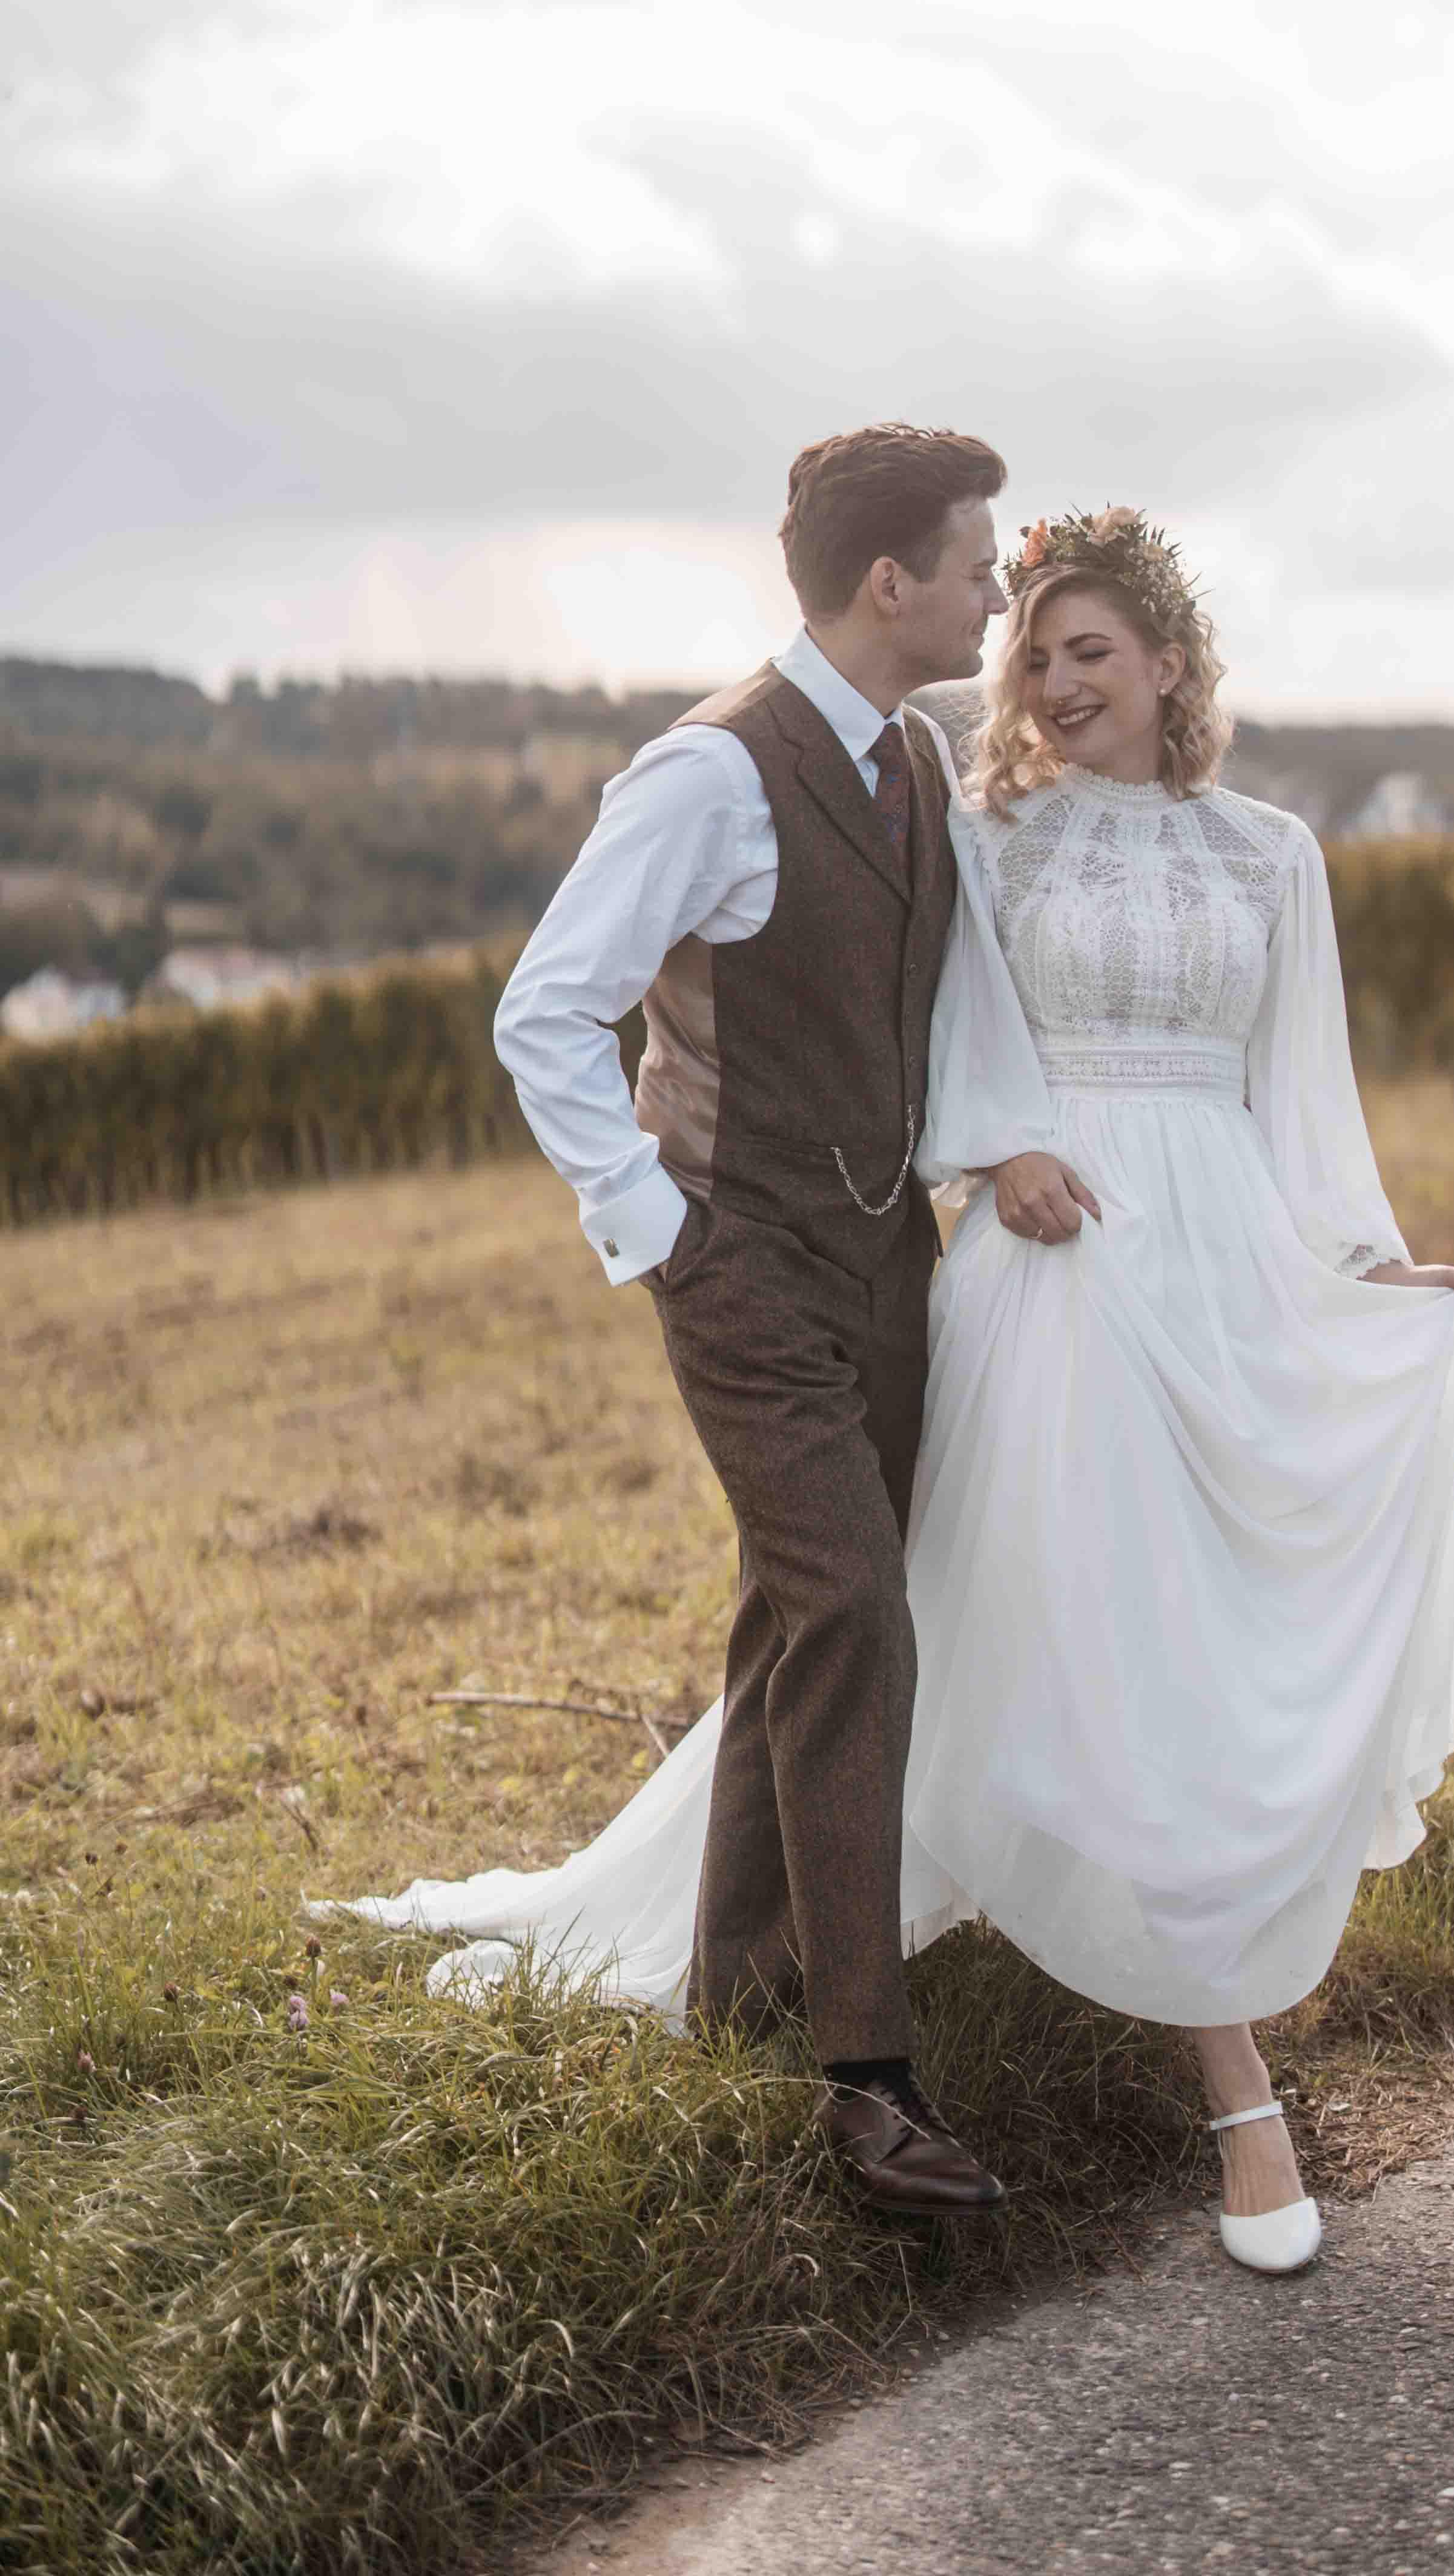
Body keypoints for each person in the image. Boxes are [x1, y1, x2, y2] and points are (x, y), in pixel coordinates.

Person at [340, 501, 1454, 2279]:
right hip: (1058, 1258)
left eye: (1085, 646)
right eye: (1029, 643)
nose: (1046, 674)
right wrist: (998, 1146)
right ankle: (1225, 2095)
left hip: (1225, 1260)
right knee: (1029, 1619)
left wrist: (1365, 1266)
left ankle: (841, 1930)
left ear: (1173, 664)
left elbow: (1305, 1102)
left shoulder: (1276, 856)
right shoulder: (979, 835)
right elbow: (933, 1033)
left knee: (1125, 1627)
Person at [343, 422, 1017, 2218]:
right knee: (858, 1605)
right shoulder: (705, 775)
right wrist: (661, 1237)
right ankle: (865, 2083)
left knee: (795, 1617)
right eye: (978, 561)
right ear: (894, 584)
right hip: (742, 1269)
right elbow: (544, 1015)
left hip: (893, 1265)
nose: (997, 589)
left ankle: (733, 1990)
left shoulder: (920, 763)